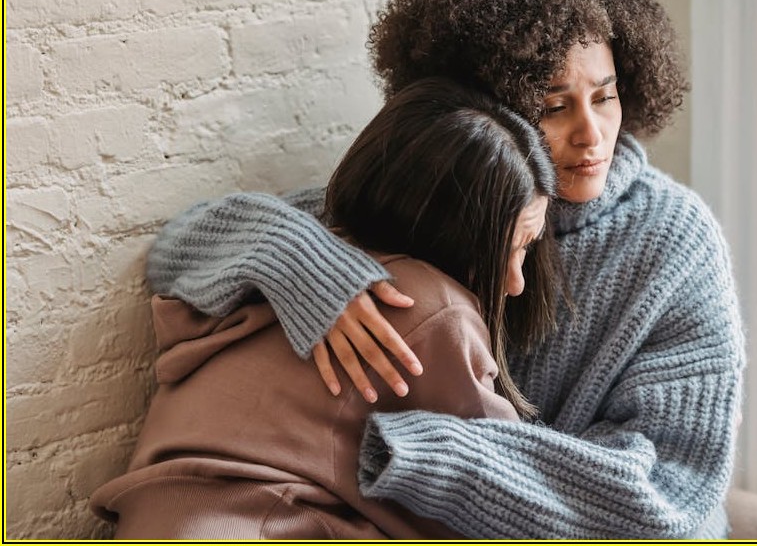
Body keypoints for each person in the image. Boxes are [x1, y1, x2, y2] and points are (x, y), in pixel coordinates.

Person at [145, 0, 745, 539]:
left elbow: (671, 494)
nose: (593, 134)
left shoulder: (676, 242)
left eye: (605, 96)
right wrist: (303, 267)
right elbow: (177, 250)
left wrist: (433, 454)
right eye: (555, 106)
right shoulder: (446, 193)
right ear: (487, 110)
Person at [89, 78, 559, 539]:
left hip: (160, 514)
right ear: (452, 231)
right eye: (512, 249)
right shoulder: (434, 307)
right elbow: (510, 492)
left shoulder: (320, 233)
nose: (516, 283)